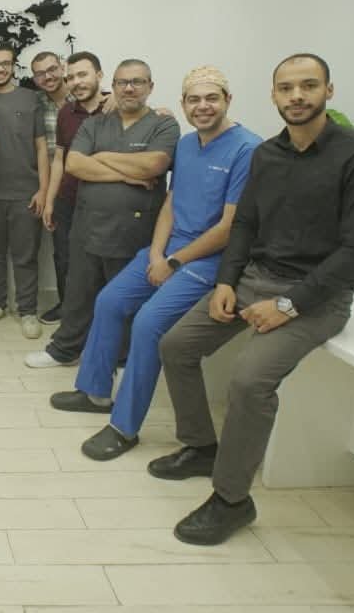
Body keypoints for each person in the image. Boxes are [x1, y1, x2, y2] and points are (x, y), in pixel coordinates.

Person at [154, 54, 354, 546]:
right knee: (175, 346)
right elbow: (245, 224)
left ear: (329, 90)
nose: (297, 96)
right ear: (273, 95)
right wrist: (226, 282)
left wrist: (288, 305)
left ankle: (231, 500)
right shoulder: (267, 154)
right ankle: (201, 447)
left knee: (249, 381)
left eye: (308, 86)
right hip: (253, 280)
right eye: (286, 88)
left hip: (317, 297)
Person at [49, 67, 261, 462]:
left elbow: (230, 227)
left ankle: (123, 427)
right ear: (182, 104)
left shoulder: (247, 149)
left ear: (228, 100)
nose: (202, 106)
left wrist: (175, 261)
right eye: (194, 99)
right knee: (109, 301)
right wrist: (156, 254)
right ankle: (94, 392)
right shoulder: (187, 144)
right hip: (168, 249)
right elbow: (171, 202)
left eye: (211, 98)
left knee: (148, 323)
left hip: (208, 259)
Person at [27, 59, 180, 367]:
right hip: (87, 223)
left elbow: (154, 165)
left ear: (150, 87)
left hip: (134, 228)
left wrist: (101, 156)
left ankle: (123, 360)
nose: (129, 88)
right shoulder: (94, 123)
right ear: (114, 85)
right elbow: (75, 164)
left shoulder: (164, 124)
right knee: (78, 292)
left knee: (125, 297)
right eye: (123, 82)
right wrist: (128, 173)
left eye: (137, 82)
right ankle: (65, 349)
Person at [0, 42, 49, 338]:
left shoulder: (31, 98)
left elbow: (41, 146)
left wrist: (43, 189)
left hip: (25, 193)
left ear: (13, 66)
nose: (0, 69)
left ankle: (28, 311)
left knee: (26, 257)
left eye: (5, 63)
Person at [37, 51, 105, 326]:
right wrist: (50, 201)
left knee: (99, 260)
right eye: (72, 77)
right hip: (67, 200)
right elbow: (59, 158)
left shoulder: (115, 109)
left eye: (83, 75)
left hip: (101, 202)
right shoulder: (66, 112)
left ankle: (97, 316)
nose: (77, 82)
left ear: (99, 75)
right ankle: (68, 310)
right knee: (64, 257)